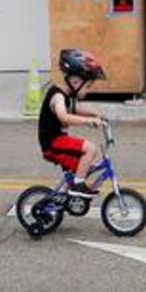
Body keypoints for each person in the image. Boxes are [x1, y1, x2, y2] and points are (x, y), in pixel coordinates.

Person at [38, 48, 107, 196]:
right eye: (88, 86)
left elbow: (74, 108)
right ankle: (78, 185)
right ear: (75, 81)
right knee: (90, 149)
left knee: (83, 165)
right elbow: (64, 116)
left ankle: (65, 193)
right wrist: (88, 121)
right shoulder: (57, 96)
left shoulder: (66, 96)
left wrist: (95, 114)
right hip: (52, 142)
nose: (88, 90)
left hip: (58, 140)